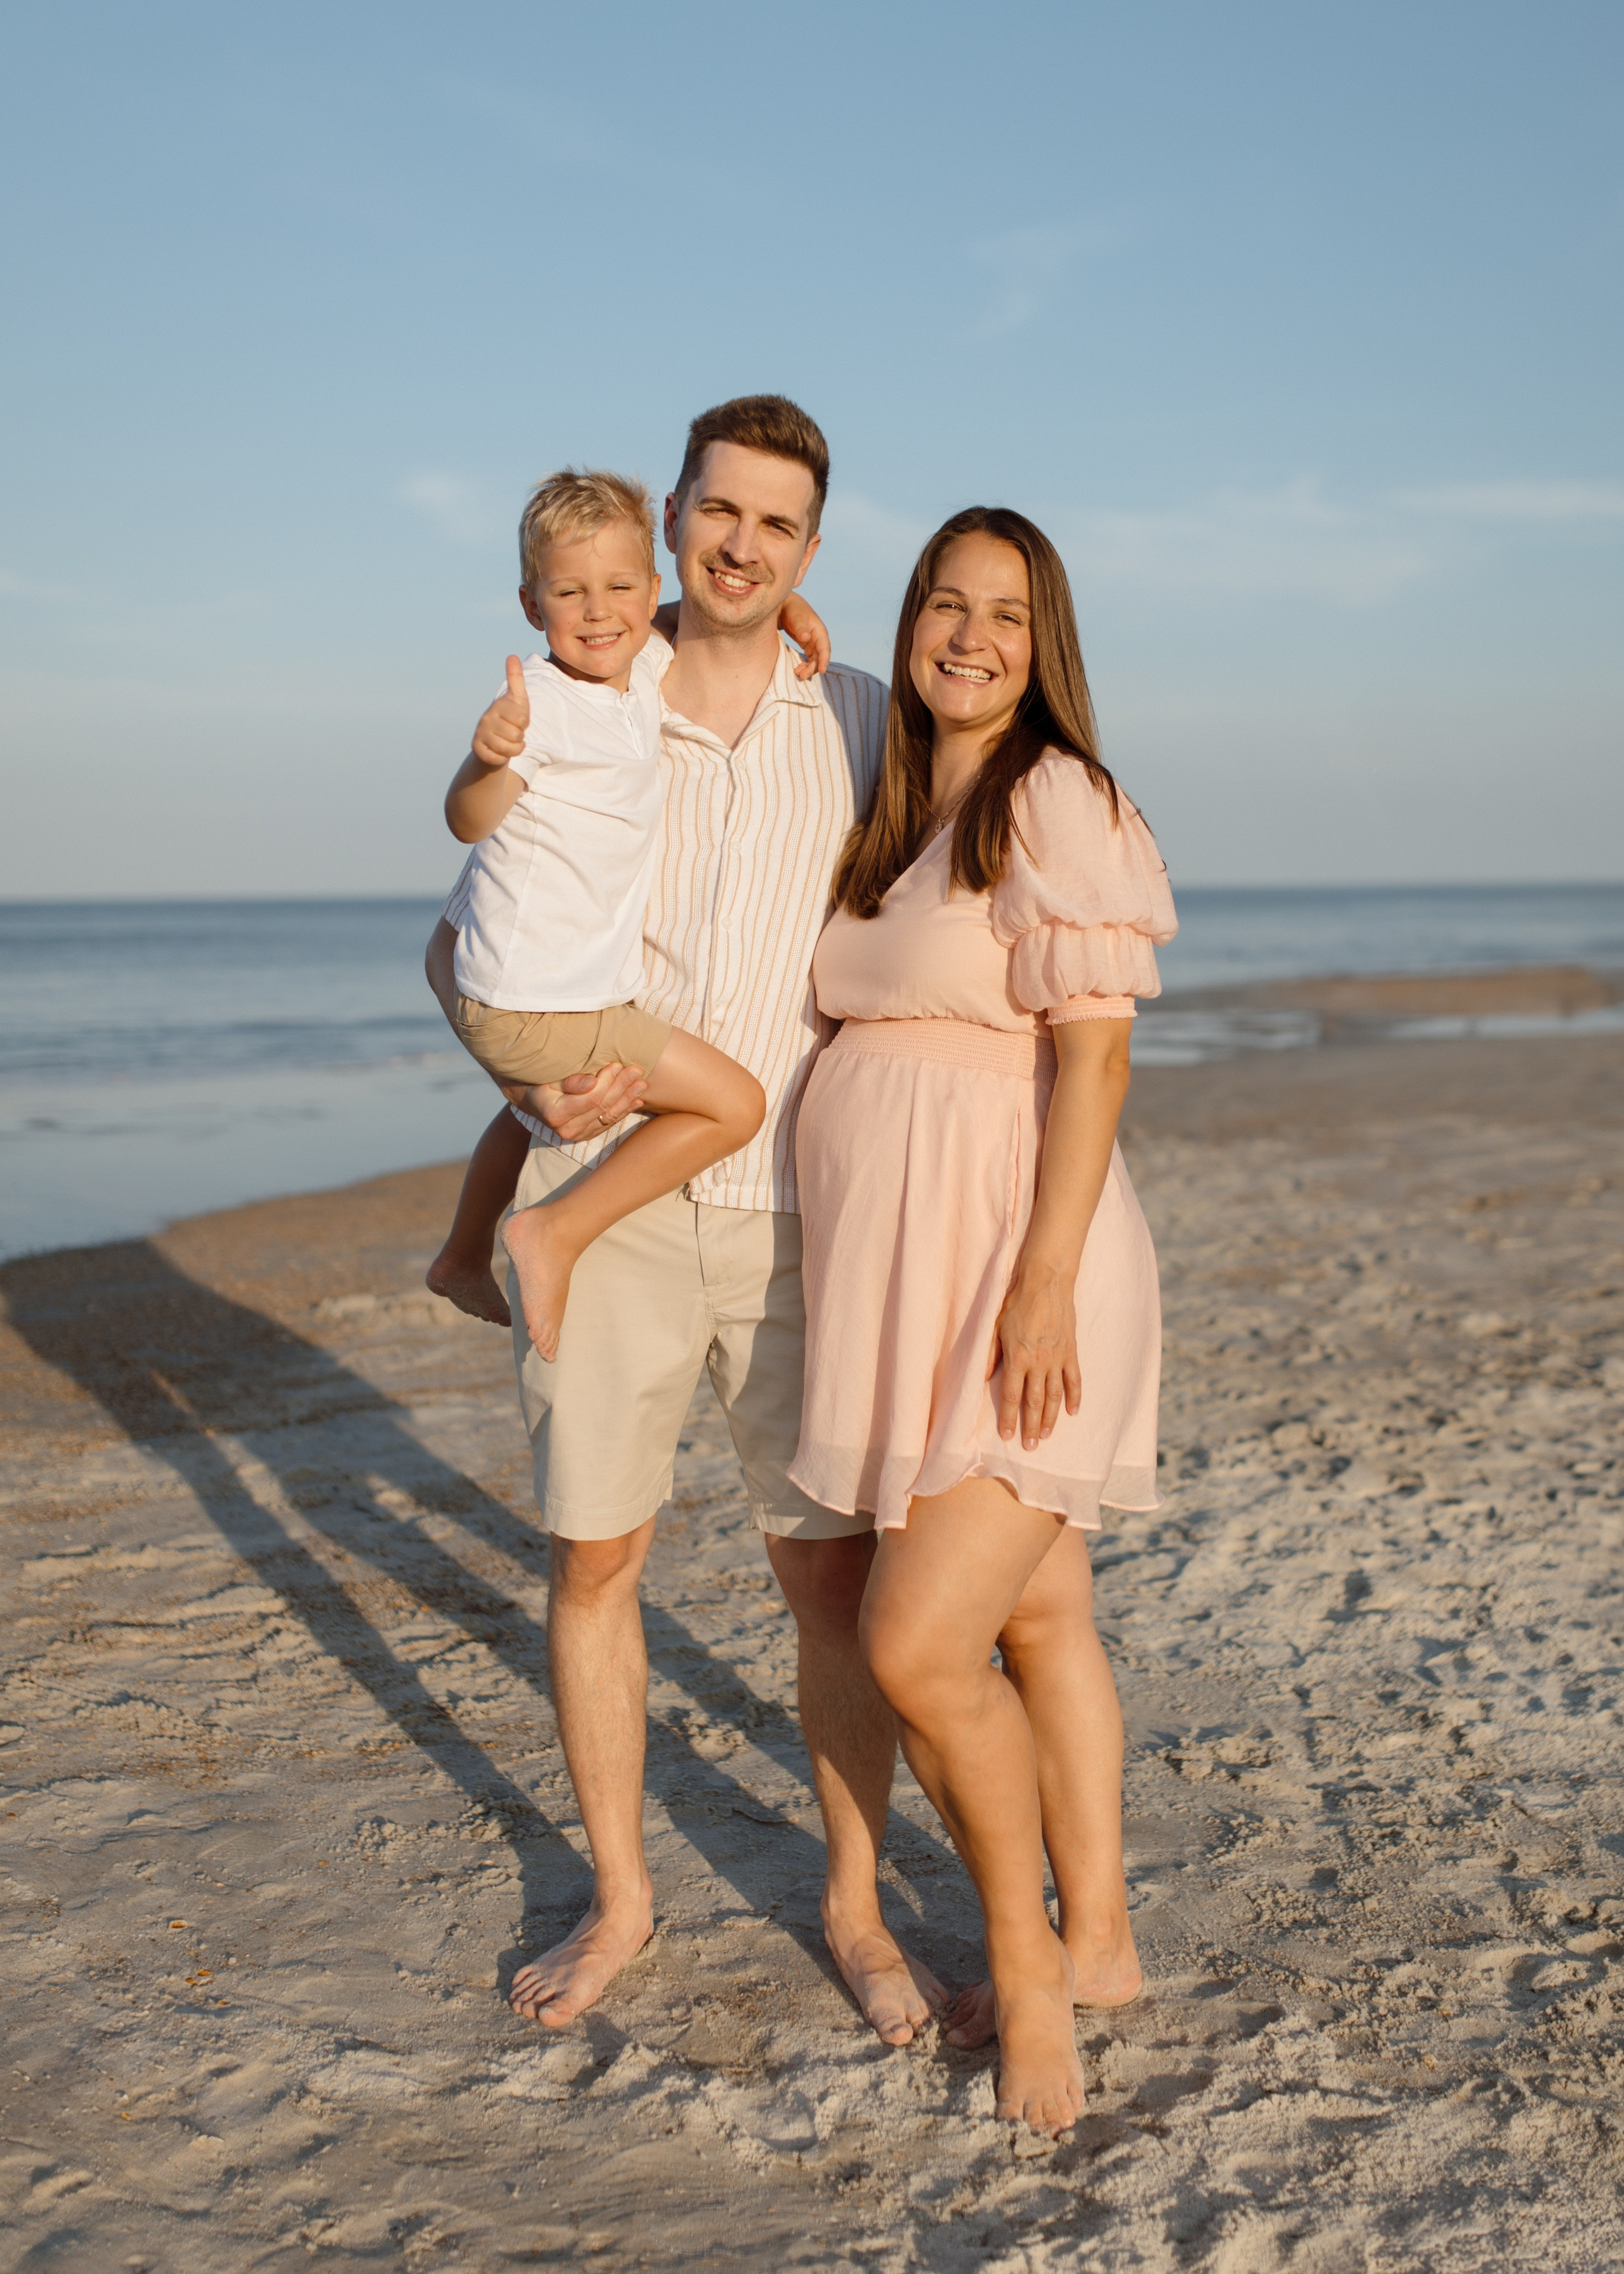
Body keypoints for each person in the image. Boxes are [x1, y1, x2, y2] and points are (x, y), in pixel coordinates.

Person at [424, 397, 943, 2047]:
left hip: (803, 1214)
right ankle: (623, 1900)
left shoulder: (861, 717)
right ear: (675, 514)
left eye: (776, 527)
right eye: (719, 513)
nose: (742, 546)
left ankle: (856, 1909)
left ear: (809, 549)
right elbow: (473, 938)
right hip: (618, 1197)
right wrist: (520, 1096)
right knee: (599, 1560)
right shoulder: (587, 697)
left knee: (829, 1586)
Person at [788, 506, 1177, 2134]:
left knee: (915, 1642)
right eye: (943, 605)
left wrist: (1036, 1273)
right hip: (900, 1274)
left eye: (1005, 614)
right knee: (1044, 1612)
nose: (968, 636)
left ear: (1047, 642)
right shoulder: (896, 797)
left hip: (1024, 1266)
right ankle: (1106, 1943)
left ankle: (1026, 1978)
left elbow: (1092, 1056)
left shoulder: (1054, 797)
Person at [427, 464, 824, 1360]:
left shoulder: (636, 675)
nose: (599, 612)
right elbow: (467, 823)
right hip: (544, 1006)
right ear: (532, 604)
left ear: (651, 593)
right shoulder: (547, 708)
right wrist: (485, 763)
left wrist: (790, 608)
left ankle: (461, 1254)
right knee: (734, 1104)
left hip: (540, 999)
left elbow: (706, 617)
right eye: (571, 593)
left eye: (619, 589)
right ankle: (551, 1234)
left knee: (524, 1118)